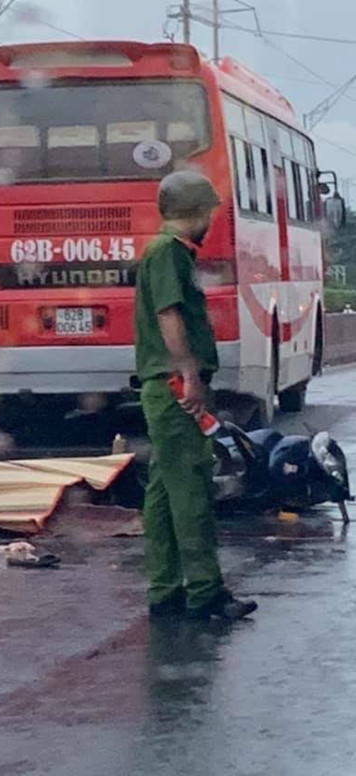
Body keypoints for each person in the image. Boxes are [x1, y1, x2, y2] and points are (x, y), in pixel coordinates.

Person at [136, 170, 257, 621]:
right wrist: (189, 373)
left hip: (161, 386)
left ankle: (166, 589)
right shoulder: (169, 253)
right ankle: (206, 591)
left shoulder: (163, 252)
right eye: (208, 211)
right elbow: (170, 314)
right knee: (192, 488)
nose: (211, 220)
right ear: (194, 211)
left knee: (165, 492)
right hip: (173, 386)